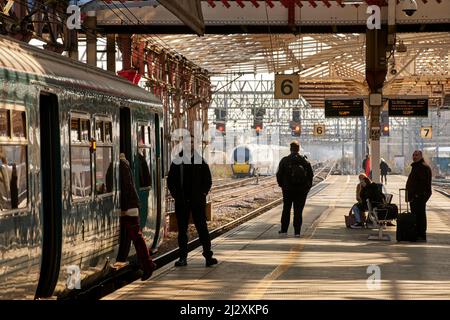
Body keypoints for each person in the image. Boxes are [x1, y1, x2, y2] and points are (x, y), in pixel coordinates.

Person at [167, 136, 218, 267]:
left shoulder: (200, 161)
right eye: (186, 142)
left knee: (202, 229)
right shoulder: (177, 161)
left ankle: (208, 256)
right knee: (182, 231)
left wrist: (203, 193)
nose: (189, 144)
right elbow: (171, 180)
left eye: (191, 142)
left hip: (197, 201)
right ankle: (182, 258)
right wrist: (176, 195)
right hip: (182, 201)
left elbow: (208, 180)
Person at [118, 153, 156, 280]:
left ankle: (148, 265)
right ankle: (147, 264)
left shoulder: (121, 165)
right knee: (137, 238)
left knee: (137, 238)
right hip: (130, 206)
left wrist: (124, 210)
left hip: (129, 208)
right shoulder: (124, 163)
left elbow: (126, 187)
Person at [276, 141, 313, 237]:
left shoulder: (285, 160)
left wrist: (282, 185)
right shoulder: (305, 161)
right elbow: (310, 175)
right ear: (298, 149)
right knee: (298, 211)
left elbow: (279, 175)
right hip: (301, 191)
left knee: (286, 209)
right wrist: (307, 188)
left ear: (290, 149)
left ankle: (284, 230)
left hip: (287, 190)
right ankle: (297, 232)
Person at [406, 150, 432, 242]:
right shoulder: (416, 166)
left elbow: (423, 183)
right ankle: (417, 233)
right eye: (413, 155)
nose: (414, 156)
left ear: (421, 156)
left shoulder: (423, 167)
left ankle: (421, 234)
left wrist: (417, 194)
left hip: (419, 196)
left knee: (420, 215)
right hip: (415, 196)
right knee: (416, 215)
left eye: (416, 155)